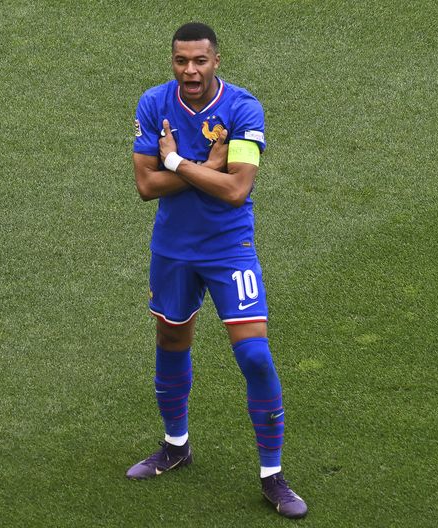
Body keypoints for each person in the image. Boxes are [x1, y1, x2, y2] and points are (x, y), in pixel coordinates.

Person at [127, 22, 308, 519]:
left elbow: (236, 190)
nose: (190, 71)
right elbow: (146, 186)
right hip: (173, 249)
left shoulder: (244, 109)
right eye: (181, 61)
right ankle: (175, 445)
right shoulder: (152, 103)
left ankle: (272, 476)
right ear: (173, 61)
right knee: (171, 338)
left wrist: (175, 162)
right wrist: (201, 165)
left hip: (230, 250)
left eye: (200, 61)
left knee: (254, 355)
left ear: (216, 60)